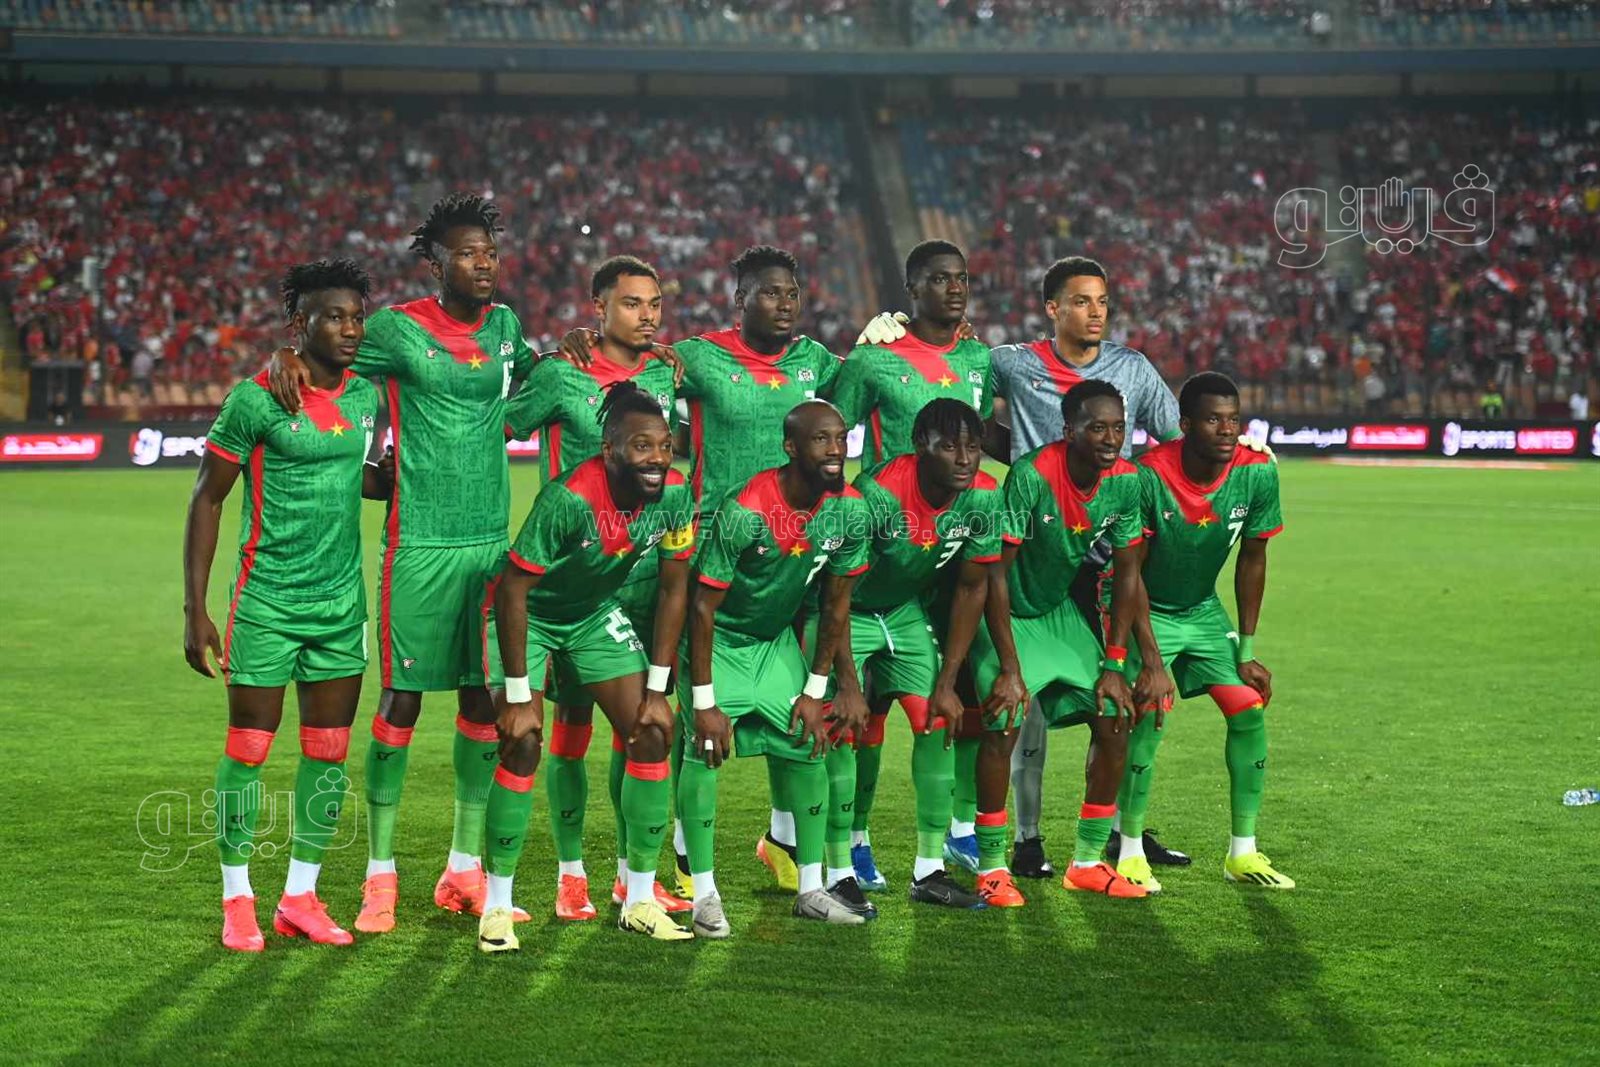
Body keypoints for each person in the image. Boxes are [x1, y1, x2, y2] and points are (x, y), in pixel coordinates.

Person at [267, 194, 537, 933]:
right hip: (418, 540)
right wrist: (283, 355)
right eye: (467, 253)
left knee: (482, 702)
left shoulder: (506, 327)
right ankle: (379, 874)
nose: (483, 263)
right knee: (402, 702)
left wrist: (575, 348)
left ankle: (463, 867)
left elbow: (538, 376)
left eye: (490, 251)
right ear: (435, 263)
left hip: (490, 542)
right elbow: (327, 355)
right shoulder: (395, 329)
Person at [183, 260, 388, 951]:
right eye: (335, 317)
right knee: (249, 748)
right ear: (300, 324)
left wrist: (384, 480)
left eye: (357, 317)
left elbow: (349, 471)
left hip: (340, 606)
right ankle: (236, 897)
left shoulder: (365, 396)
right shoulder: (256, 399)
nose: (351, 329)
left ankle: (299, 895)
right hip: (267, 601)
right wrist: (195, 609)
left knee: (328, 752)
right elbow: (207, 498)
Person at [480, 383, 699, 950]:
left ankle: (639, 900)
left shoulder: (676, 495)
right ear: (609, 450)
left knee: (652, 730)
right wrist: (519, 695)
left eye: (664, 445)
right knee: (523, 742)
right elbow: (513, 591)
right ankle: (497, 907)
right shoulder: (570, 498)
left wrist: (657, 688)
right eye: (641, 446)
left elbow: (675, 589)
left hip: (591, 613)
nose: (657, 458)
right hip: (528, 614)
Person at [505, 256, 686, 923]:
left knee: (640, 729)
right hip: (573, 582)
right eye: (632, 303)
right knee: (570, 733)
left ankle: (631, 876)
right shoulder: (563, 372)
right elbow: (500, 422)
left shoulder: (665, 373)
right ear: (598, 308)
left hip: (644, 581)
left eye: (654, 304)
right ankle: (570, 874)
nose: (647, 316)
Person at [824, 241, 996, 892]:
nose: (954, 289)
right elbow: (825, 426)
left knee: (952, 701)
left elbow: (987, 428)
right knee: (859, 716)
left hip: (938, 554)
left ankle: (951, 838)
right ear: (911, 288)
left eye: (962, 279)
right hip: (878, 546)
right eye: (939, 279)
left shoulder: (979, 358)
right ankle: (845, 843)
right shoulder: (875, 358)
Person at [808, 398, 1024, 910]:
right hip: (848, 612)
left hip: (903, 611)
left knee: (938, 718)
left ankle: (929, 871)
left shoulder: (983, 496)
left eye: (972, 447)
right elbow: (835, 592)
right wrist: (848, 684)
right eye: (949, 447)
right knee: (842, 726)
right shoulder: (877, 496)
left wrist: (948, 681)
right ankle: (840, 870)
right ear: (918, 447)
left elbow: (973, 587)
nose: (964, 459)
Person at [966, 380, 1170, 905]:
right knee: (1004, 720)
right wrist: (1010, 667)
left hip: (1058, 613)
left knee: (1115, 714)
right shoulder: (1032, 474)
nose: (1110, 439)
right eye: (1097, 428)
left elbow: (1128, 575)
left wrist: (1117, 663)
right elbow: (996, 574)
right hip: (1006, 613)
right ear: (1069, 431)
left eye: (1118, 428)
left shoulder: (1126, 481)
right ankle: (991, 868)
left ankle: (1085, 862)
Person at [677, 400, 872, 935]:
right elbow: (701, 608)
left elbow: (836, 605)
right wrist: (704, 702)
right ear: (790, 447)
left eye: (840, 438)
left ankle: (811, 889)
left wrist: (816, 688)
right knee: (704, 751)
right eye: (821, 440)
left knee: (810, 743)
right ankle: (704, 895)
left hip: (774, 644)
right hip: (720, 641)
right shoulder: (746, 509)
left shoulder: (851, 510)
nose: (836, 450)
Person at [1114, 372, 1292, 892]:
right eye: (1213, 419)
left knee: (1248, 708)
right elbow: (1129, 573)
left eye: (1234, 419)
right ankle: (1128, 851)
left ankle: (1242, 852)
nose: (1227, 430)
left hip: (1202, 610)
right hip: (1144, 609)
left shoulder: (1257, 471)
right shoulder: (1148, 475)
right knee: (1148, 711)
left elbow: (1253, 558)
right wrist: (1150, 661)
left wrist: (1247, 650)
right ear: (1185, 425)